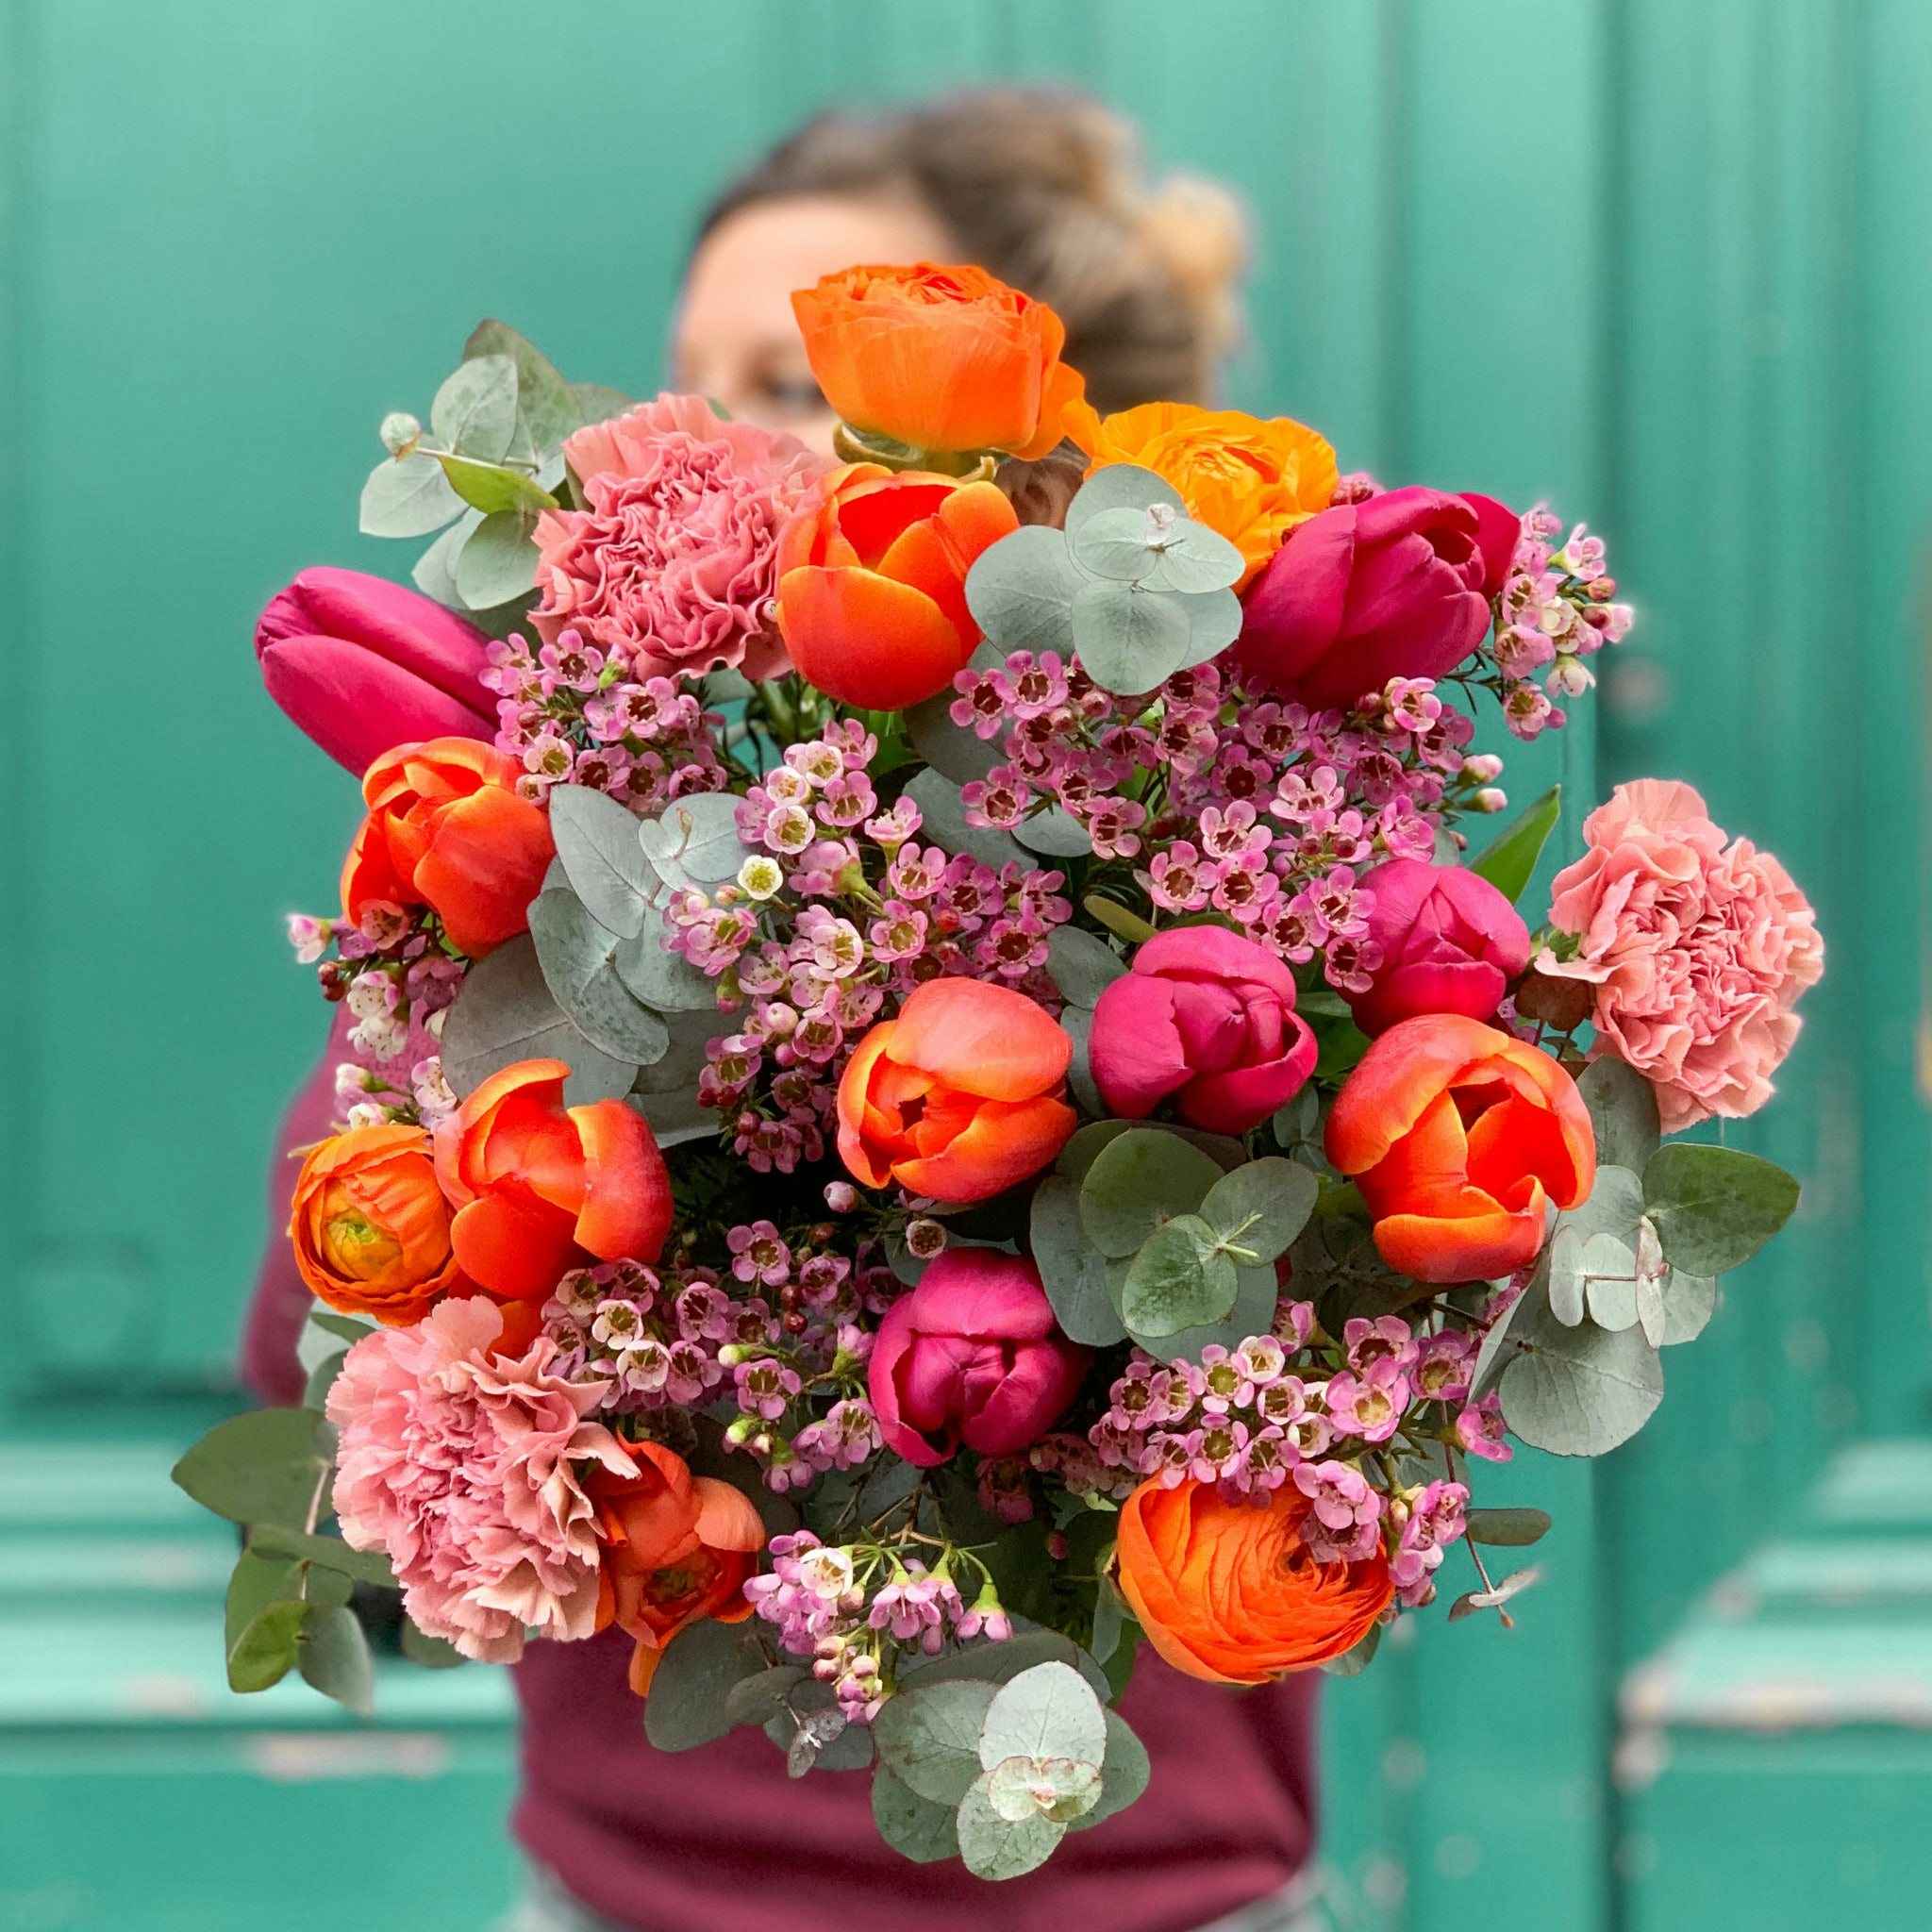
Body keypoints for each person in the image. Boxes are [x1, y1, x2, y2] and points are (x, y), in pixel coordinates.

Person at [244, 87, 1328, 1932]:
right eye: (688, 378)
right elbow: (309, 1368)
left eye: (790, 377)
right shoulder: (542, 858)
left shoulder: (1226, 861)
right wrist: (475, 966)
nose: (697, 443)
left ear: (1041, 464)